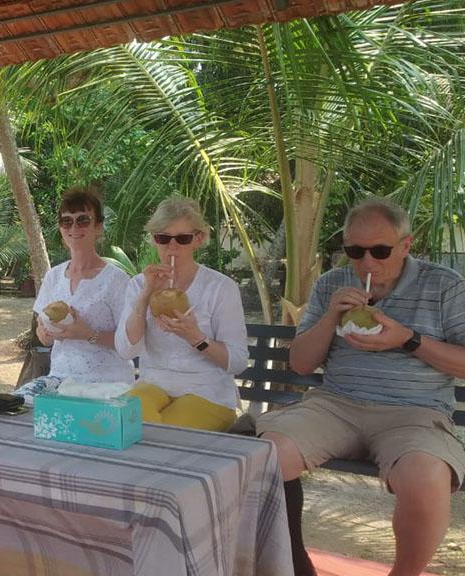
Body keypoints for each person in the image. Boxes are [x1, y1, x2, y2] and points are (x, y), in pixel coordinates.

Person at [258, 197, 465, 576]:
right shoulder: (332, 284)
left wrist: (408, 339)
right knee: (266, 456)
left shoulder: (444, 286)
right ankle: (296, 565)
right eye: (355, 251)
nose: (366, 262)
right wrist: (331, 316)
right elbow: (301, 363)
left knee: (425, 480)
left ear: (406, 245)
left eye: (380, 251)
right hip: (335, 405)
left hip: (414, 412)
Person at [114, 196, 248, 431]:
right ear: (153, 239)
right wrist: (145, 297)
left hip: (207, 390)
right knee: (122, 419)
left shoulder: (220, 287)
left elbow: (237, 362)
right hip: (154, 384)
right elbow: (126, 350)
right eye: (163, 238)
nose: (172, 246)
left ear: (198, 239)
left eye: (183, 238)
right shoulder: (139, 285)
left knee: (165, 433)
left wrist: (195, 337)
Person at [15, 188, 133, 403]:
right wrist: (46, 333)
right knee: (13, 405)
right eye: (66, 221)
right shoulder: (53, 277)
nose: (74, 228)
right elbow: (42, 337)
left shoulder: (117, 280)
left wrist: (88, 334)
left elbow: (130, 345)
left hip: (108, 383)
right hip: (60, 380)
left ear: (98, 226)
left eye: (83, 220)